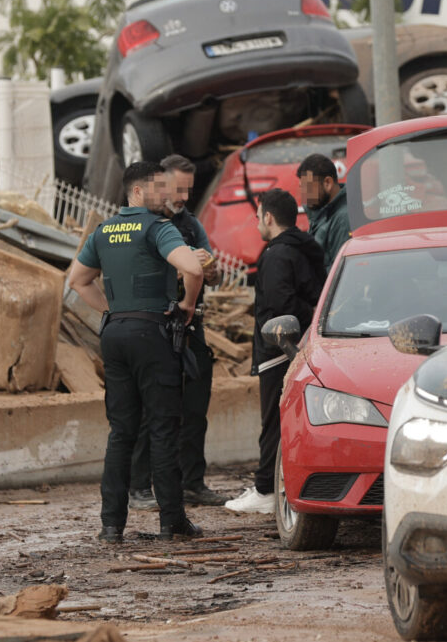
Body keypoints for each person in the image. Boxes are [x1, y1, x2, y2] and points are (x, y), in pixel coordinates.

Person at [68, 161, 205, 542]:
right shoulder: (157, 229)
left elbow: (77, 281)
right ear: (138, 192)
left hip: (115, 335)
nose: (166, 195)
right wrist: (187, 306)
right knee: (162, 428)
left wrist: (110, 309)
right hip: (152, 335)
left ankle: (111, 525)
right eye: (159, 188)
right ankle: (172, 521)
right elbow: (192, 268)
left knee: (122, 431)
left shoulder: (104, 231)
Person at [128, 155, 228, 510]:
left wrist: (210, 269)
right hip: (153, 327)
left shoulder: (189, 224)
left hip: (189, 326)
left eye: (188, 189)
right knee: (149, 408)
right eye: (177, 189)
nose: (183, 196)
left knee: (195, 406)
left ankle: (192, 482)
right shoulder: (141, 223)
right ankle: (139, 485)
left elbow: (215, 275)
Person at [225, 189, 326, 513]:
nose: (256, 224)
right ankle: (272, 484)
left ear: (268, 217)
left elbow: (280, 304)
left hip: (277, 351)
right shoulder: (306, 248)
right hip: (301, 346)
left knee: (272, 421)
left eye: (257, 217)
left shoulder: (276, 255)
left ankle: (266, 488)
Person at [298, 153, 349, 272]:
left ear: (328, 183)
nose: (304, 194)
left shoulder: (343, 219)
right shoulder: (319, 214)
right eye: (302, 188)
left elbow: (340, 273)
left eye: (307, 187)